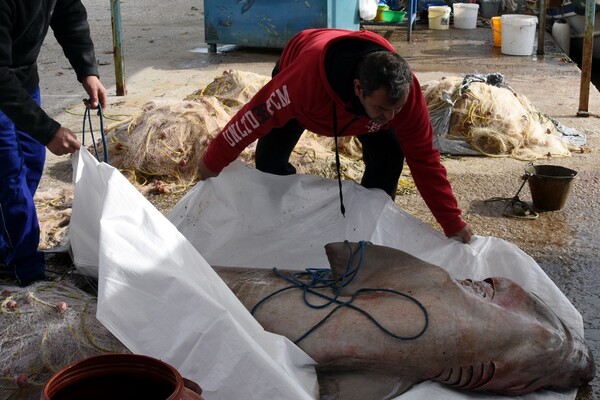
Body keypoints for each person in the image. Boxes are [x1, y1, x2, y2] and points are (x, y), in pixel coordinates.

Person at [198, 28, 473, 243]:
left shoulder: (404, 99)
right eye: (382, 108)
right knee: (269, 161)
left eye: (396, 109)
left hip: (359, 105)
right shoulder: (300, 85)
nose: (391, 117)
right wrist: (211, 164)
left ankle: (364, 231)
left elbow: (425, 160)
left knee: (390, 156)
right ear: (358, 88)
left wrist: (452, 223)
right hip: (307, 72)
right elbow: (249, 121)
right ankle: (284, 227)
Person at [1, 0, 107, 286]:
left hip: (22, 79)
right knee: (9, 179)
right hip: (2, 82)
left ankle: (6, 244)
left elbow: (69, 15)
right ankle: (27, 270)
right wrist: (48, 130)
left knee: (32, 163)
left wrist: (88, 71)